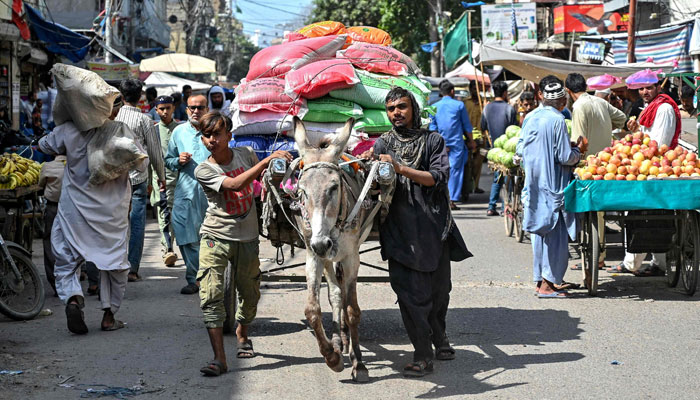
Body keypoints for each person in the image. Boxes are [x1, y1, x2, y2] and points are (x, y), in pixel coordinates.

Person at [365, 87, 471, 377]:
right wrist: (371, 176)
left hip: (433, 226)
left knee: (439, 293)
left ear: (413, 108)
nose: (396, 113)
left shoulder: (433, 141)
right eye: (390, 109)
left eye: (401, 106)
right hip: (397, 229)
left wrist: (399, 169)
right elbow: (375, 188)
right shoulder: (382, 144)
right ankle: (423, 354)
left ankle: (440, 336)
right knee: (411, 296)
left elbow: (437, 178)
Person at [38, 88, 144, 334]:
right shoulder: (120, 131)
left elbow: (45, 145)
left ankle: (74, 298)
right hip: (112, 214)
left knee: (66, 258)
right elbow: (142, 160)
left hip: (74, 209)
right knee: (115, 263)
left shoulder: (69, 130)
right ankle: (109, 315)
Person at [194, 112, 292, 376]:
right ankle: (219, 359)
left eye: (217, 134)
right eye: (207, 135)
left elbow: (265, 180)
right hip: (215, 237)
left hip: (247, 238)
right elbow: (236, 185)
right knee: (211, 297)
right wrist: (267, 160)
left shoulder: (246, 153)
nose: (212, 140)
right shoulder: (204, 169)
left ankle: (242, 334)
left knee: (250, 293)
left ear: (229, 135)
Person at [518, 75, 586, 298]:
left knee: (539, 236)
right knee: (555, 238)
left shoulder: (530, 117)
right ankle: (548, 285)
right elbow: (565, 156)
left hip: (534, 185)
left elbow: (521, 150)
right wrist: (579, 150)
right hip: (553, 186)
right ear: (563, 103)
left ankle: (542, 281)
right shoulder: (558, 120)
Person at [619, 76, 682, 276]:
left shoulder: (663, 108)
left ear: (657, 87)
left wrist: (639, 141)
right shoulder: (650, 107)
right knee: (652, 215)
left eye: (649, 88)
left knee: (645, 214)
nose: (645, 92)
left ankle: (633, 263)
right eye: (642, 89)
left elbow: (658, 144)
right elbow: (646, 137)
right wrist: (635, 131)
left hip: (658, 166)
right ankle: (654, 263)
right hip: (646, 163)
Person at [565, 73, 627, 272]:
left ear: (568, 91)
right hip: (609, 164)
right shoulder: (600, 102)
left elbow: (579, 140)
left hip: (589, 166)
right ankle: (598, 254)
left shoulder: (578, 106)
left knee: (593, 213)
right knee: (599, 212)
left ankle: (597, 256)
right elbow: (622, 118)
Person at [115, 79, 167, 282]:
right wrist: (161, 177)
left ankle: (108, 267)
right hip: (137, 179)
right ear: (141, 96)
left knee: (112, 223)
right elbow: (154, 152)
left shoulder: (112, 115)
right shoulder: (145, 120)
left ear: (121, 94)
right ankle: (133, 268)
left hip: (113, 178)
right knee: (137, 223)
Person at [165, 94, 211, 294]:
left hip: (211, 193)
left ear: (206, 109)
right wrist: (178, 161)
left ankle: (210, 277)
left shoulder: (214, 130)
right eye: (192, 107)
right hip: (186, 191)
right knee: (183, 233)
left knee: (210, 236)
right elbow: (168, 159)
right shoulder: (179, 132)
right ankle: (195, 278)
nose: (196, 111)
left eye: (200, 108)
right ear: (186, 109)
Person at [429, 80, 475, 209]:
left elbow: (433, 128)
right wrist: (471, 141)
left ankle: (442, 197)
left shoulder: (434, 106)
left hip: (440, 144)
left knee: (441, 170)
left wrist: (440, 144)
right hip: (456, 144)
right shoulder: (459, 105)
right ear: (452, 91)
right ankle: (452, 199)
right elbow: (466, 126)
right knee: (455, 170)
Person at [151, 95, 180, 267]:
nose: (164, 112)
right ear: (156, 110)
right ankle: (168, 249)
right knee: (164, 216)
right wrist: (149, 183)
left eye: (168, 108)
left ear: (173, 108)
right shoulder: (153, 131)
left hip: (180, 181)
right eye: (161, 109)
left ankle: (174, 246)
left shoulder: (181, 129)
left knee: (178, 216)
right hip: (161, 181)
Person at [482, 81, 518, 216]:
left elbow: (483, 126)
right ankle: (504, 206)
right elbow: (513, 130)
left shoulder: (487, 108)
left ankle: (492, 206)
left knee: (497, 178)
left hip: (494, 149)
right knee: (507, 178)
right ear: (504, 93)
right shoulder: (509, 109)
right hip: (507, 149)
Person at [38, 155, 66, 297]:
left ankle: (55, 283)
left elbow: (40, 184)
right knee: (73, 243)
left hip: (53, 208)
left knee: (49, 243)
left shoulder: (48, 166)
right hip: (72, 208)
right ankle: (72, 281)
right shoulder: (76, 166)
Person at [463, 80, 486, 195]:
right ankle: (467, 186)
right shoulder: (465, 103)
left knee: (478, 163)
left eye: (476, 88)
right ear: (470, 89)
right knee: (468, 163)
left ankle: (475, 186)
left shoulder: (484, 103)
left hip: (482, 138)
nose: (474, 90)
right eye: (472, 88)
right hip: (468, 137)